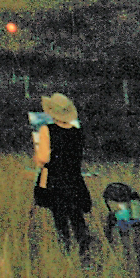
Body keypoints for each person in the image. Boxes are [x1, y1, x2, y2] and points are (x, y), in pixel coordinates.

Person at [33, 92, 94, 259]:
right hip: (75, 181)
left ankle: (65, 255)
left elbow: (44, 158)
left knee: (60, 220)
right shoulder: (77, 132)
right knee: (77, 218)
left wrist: (37, 158)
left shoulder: (47, 130)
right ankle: (85, 254)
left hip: (55, 182)